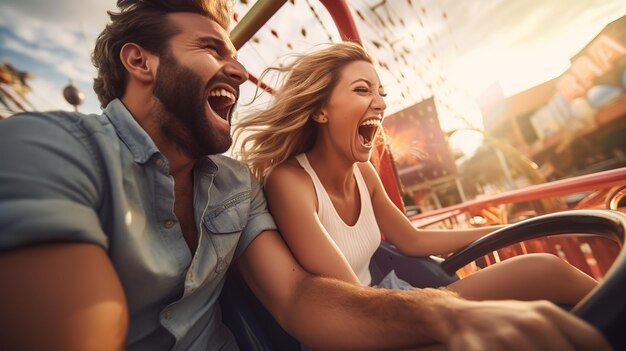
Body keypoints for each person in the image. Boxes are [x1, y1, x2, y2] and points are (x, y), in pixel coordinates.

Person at [0, 1, 609, 350]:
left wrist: (449, 314)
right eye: (214, 49)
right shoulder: (48, 146)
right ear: (139, 60)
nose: (238, 68)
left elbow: (298, 296)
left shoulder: (231, 184)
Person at [236, 41, 598, 314]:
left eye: (381, 93)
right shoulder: (289, 181)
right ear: (320, 111)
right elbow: (352, 298)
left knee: (545, 272)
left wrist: (505, 230)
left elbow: (411, 239)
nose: (380, 102)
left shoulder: (364, 171)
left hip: (390, 301)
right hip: (360, 322)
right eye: (362, 90)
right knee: (541, 278)